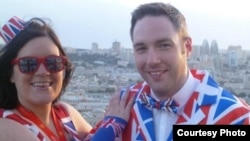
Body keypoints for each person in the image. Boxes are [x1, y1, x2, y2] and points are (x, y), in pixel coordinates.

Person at [89, 2, 250, 141]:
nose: (152, 60)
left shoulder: (231, 116)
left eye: (164, 45)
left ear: (187, 48)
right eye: (141, 48)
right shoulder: (123, 105)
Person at [0, 16, 134, 141]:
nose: (43, 72)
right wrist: (111, 127)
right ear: (10, 73)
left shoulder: (65, 114)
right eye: (29, 64)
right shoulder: (6, 126)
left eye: (53, 62)